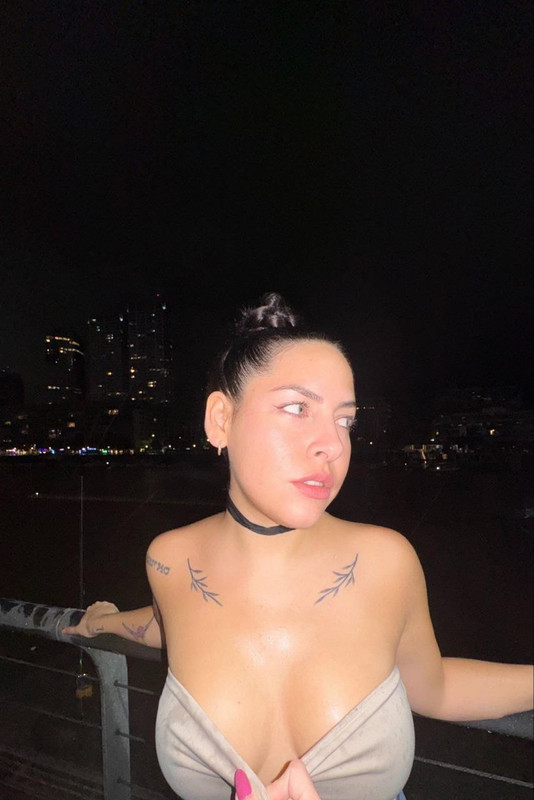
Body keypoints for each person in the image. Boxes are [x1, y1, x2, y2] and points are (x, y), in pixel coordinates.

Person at [63, 293, 533, 800]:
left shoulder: (384, 562)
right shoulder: (169, 560)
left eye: (345, 421)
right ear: (220, 420)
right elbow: (173, 621)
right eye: (296, 408)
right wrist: (106, 622)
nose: (332, 444)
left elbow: (433, 687)